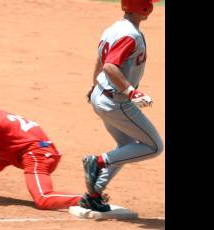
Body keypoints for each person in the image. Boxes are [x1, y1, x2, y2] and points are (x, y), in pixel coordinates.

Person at [79, 0, 164, 212]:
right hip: (117, 102)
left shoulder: (114, 28)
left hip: (102, 95)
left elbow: (101, 60)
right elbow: (109, 65)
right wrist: (131, 91)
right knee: (154, 146)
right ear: (145, 8)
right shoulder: (130, 35)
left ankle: (94, 194)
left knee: (127, 147)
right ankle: (97, 162)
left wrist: (93, 85)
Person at [0, 90, 83, 210]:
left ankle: (88, 199)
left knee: (43, 199)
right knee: (1, 152)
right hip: (40, 151)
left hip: (36, 156)